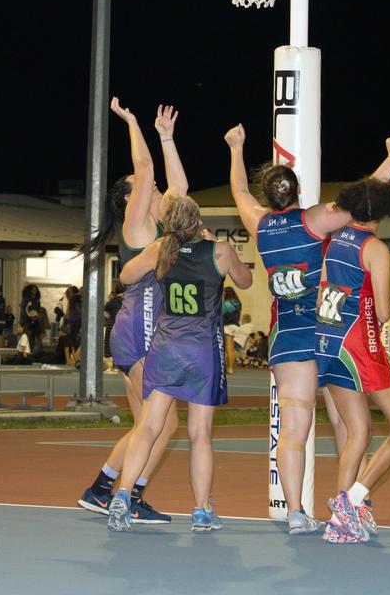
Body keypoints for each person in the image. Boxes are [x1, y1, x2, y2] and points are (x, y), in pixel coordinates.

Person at [224, 123, 390, 534]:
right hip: (329, 330)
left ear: (269, 195)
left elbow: (239, 193)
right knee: (349, 424)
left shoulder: (259, 224)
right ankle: (351, 502)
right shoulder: (316, 219)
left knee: (294, 428)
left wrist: (236, 149)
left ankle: (294, 512)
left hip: (287, 333)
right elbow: (364, 199)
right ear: (297, 191)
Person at [107, 194, 253, 532]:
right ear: (198, 222)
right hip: (203, 352)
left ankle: (122, 496)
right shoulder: (218, 250)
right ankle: (201, 510)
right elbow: (245, 280)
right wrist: (213, 242)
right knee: (199, 433)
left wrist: (159, 248)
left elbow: (126, 276)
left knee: (148, 427)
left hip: (165, 349)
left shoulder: (160, 250)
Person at [77, 100, 186, 525]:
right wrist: (135, 123)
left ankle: (104, 487)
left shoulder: (158, 223)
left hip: (143, 330)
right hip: (139, 328)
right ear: (130, 199)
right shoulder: (137, 224)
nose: (157, 191)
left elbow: (178, 185)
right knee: (161, 424)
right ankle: (126, 493)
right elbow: (145, 168)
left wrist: (167, 139)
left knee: (154, 424)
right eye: (147, 189)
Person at [315, 179, 390, 543]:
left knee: (358, 432)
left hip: (329, 340)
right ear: (385, 212)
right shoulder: (375, 248)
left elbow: (325, 292)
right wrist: (378, 299)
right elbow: (385, 311)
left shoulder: (334, 240)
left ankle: (342, 515)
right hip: (361, 344)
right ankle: (352, 500)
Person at [19, 283, 45, 355]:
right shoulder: (26, 299)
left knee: (36, 335)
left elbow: (38, 309)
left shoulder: (37, 299)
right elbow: (24, 310)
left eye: (35, 290)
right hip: (27, 320)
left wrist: (38, 314)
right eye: (33, 290)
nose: (34, 291)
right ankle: (27, 350)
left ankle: (34, 350)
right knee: (28, 335)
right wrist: (28, 318)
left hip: (35, 320)